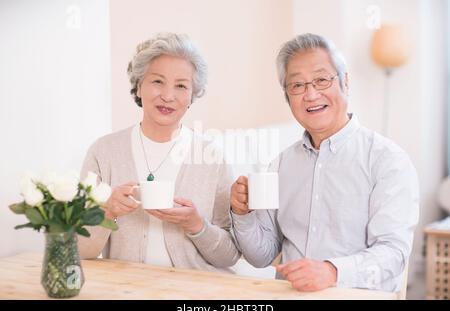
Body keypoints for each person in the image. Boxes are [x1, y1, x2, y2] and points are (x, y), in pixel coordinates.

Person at [230, 33, 419, 292]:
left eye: (321, 80)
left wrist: (332, 272)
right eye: (297, 85)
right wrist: (242, 214)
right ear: (287, 96)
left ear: (345, 82)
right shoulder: (280, 164)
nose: (311, 94)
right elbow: (261, 256)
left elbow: (393, 254)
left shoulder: (388, 161)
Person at [78, 33, 240, 273]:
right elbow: (81, 251)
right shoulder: (104, 152)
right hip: (127, 290)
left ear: (192, 96)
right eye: (157, 81)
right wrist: (106, 212)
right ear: (139, 85)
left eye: (181, 86)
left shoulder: (211, 156)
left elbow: (229, 255)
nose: (168, 95)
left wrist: (196, 225)